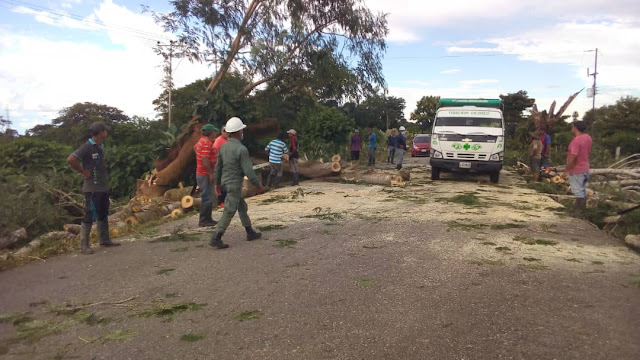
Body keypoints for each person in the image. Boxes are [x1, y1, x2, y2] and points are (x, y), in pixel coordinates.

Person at [210, 117, 265, 249]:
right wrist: (258, 185)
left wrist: (217, 184)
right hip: (235, 184)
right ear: (239, 131)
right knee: (229, 210)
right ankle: (216, 236)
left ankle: (249, 231)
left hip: (226, 182)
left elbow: (218, 168)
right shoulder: (241, 149)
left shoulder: (223, 148)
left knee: (242, 207)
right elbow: (248, 170)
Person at [67, 122, 120, 254]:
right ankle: (84, 245)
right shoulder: (87, 146)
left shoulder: (100, 146)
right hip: (91, 188)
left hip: (102, 187)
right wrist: (83, 171)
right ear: (101, 132)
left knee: (103, 213)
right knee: (90, 214)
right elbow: (71, 159)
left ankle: (105, 239)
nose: (107, 132)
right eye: (105, 130)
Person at [562, 121, 592, 216]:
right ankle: (580, 209)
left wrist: (567, 170)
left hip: (577, 169)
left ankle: (579, 211)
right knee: (582, 190)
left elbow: (573, 156)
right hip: (585, 167)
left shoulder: (576, 140)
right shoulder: (588, 137)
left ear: (575, 127)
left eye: (572, 127)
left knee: (578, 191)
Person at [194, 123, 219, 227]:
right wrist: (211, 173)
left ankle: (208, 218)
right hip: (204, 174)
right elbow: (205, 159)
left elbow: (194, 148)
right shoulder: (207, 143)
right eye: (214, 132)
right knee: (207, 196)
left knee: (208, 195)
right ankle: (204, 220)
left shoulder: (201, 141)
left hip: (201, 172)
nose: (215, 134)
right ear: (211, 133)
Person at [212, 126, 230, 207]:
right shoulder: (218, 140)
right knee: (221, 183)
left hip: (227, 164)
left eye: (227, 131)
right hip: (220, 164)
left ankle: (227, 199)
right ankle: (220, 201)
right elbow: (214, 150)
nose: (226, 132)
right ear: (221, 131)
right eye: (224, 131)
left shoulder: (228, 140)